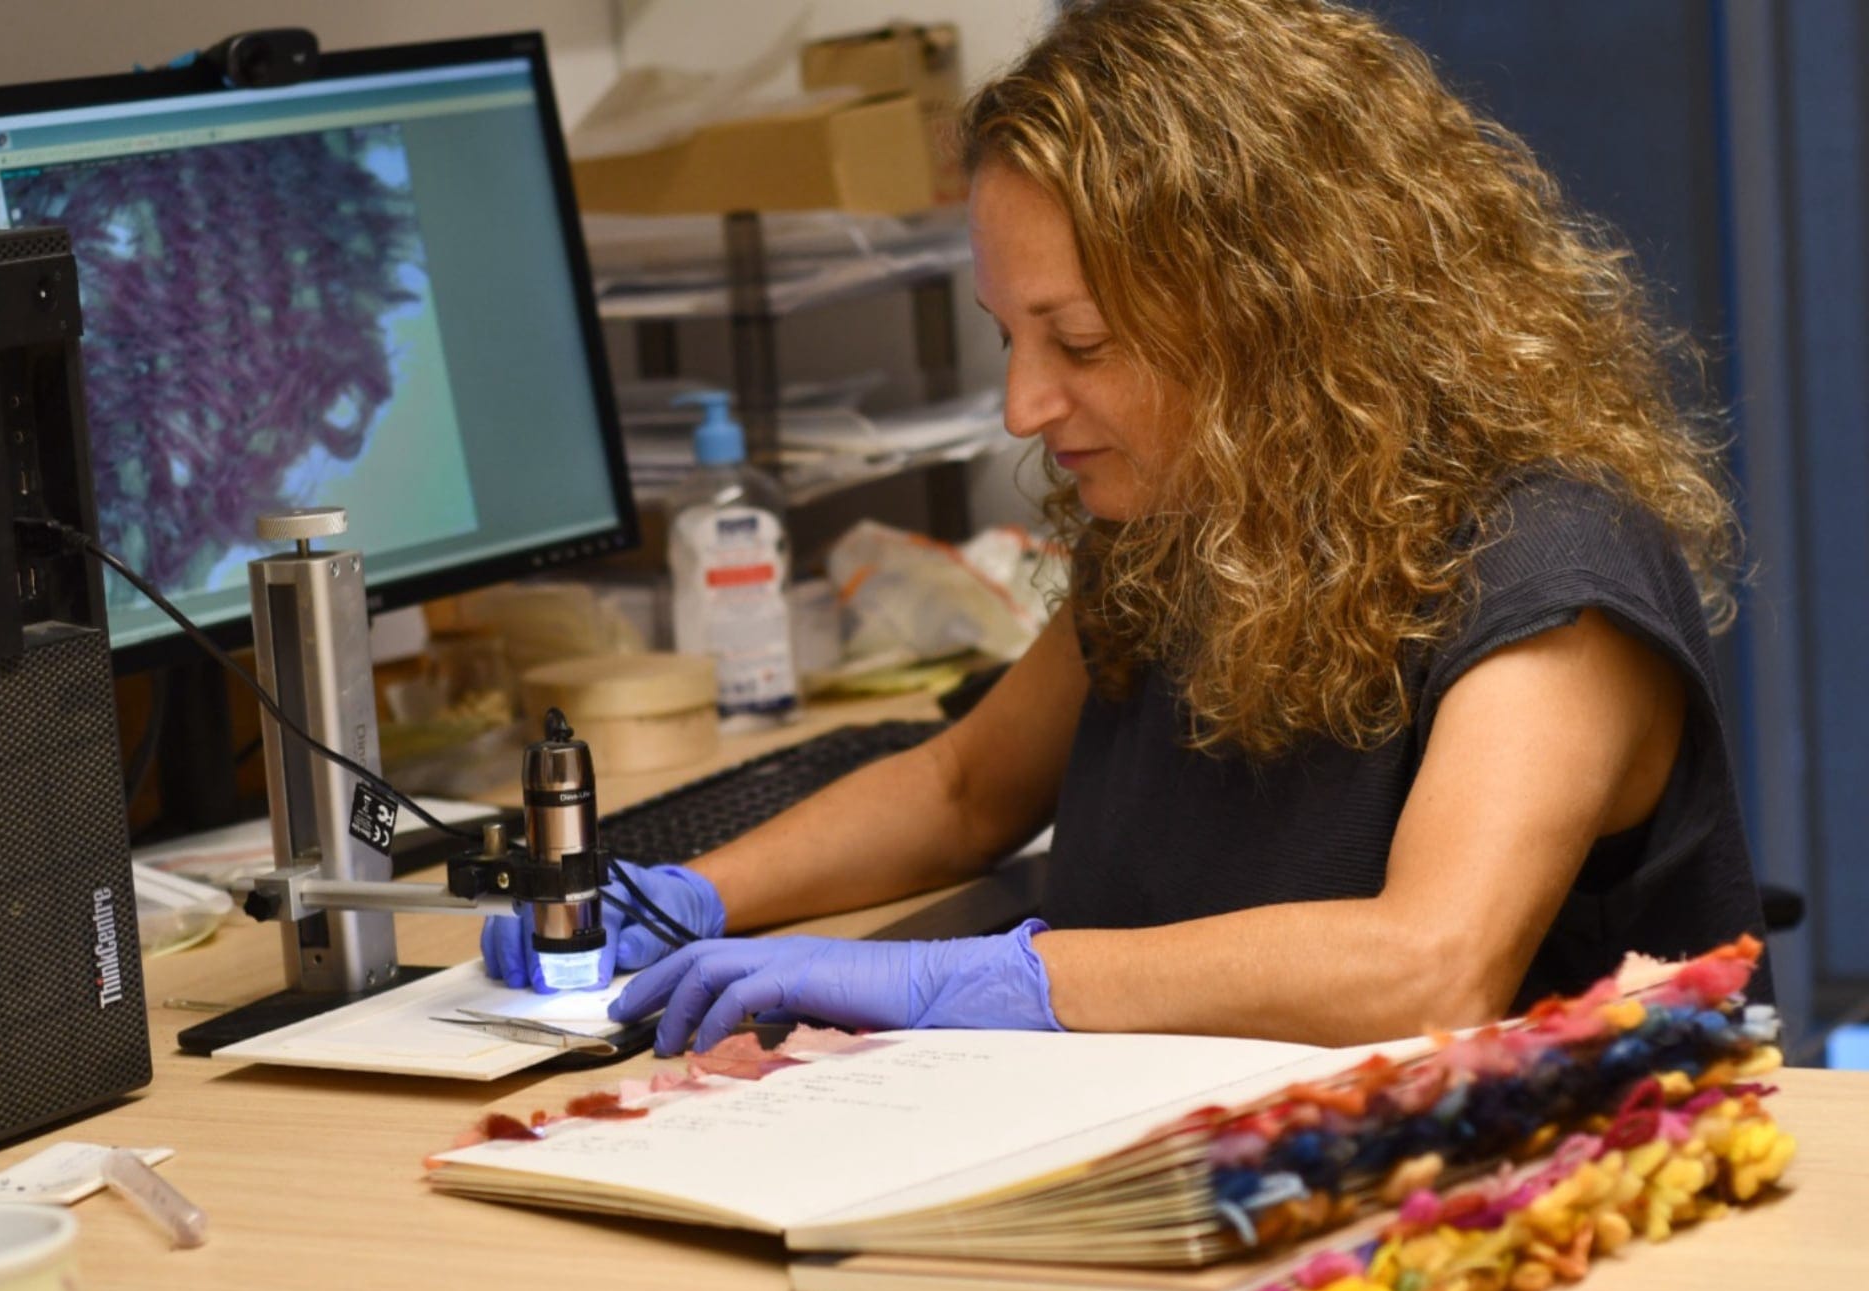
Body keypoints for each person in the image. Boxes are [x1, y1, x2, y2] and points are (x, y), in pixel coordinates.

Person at [484, 0, 1770, 1055]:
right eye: (1008, 334)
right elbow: (962, 786)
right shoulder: (1194, 519)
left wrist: (993, 980)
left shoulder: (1553, 567)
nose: (1022, 404)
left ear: (1284, 314)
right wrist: (682, 895)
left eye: (1079, 342)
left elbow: (1424, 966)